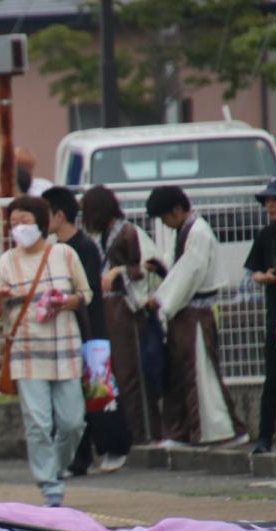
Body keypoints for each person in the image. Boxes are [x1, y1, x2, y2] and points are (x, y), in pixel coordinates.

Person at [0, 196, 92, 507]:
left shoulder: (64, 253)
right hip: (26, 348)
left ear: (41, 222)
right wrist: (2, 297)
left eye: (24, 221)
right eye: (13, 223)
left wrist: (66, 301)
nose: (19, 228)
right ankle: (50, 487)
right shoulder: (7, 261)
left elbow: (85, 294)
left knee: (73, 421)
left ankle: (56, 467)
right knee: (38, 422)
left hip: (65, 347)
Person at [144, 186, 247, 447]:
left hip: (195, 313)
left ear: (177, 210)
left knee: (200, 373)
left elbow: (189, 272)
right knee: (179, 374)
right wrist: (161, 268)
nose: (165, 224)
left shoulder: (198, 232)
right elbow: (179, 268)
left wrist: (160, 299)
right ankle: (182, 432)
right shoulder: (187, 230)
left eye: (165, 217)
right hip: (185, 312)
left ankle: (222, 431)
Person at [42, 186, 132, 475]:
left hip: (91, 333)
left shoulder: (84, 247)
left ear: (58, 215)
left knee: (100, 394)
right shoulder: (55, 249)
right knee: (71, 400)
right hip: (65, 333)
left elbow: (90, 292)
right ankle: (78, 459)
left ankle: (115, 447)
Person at [80, 186, 166, 445]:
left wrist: (119, 273)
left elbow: (150, 266)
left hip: (127, 311)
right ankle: (130, 432)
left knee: (131, 374)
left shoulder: (128, 232)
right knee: (114, 374)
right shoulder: (102, 236)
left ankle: (145, 432)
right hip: (108, 311)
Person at [244, 177, 276, 454]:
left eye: (275, 200)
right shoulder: (266, 235)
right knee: (273, 377)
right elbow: (253, 271)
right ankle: (265, 436)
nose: (270, 205)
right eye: (268, 200)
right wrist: (264, 277)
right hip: (275, 316)